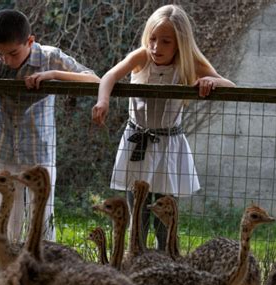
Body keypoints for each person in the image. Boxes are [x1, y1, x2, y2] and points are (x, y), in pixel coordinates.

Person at [0, 9, 99, 242]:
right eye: (0, 53)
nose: (6, 60)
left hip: (40, 153)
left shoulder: (50, 57)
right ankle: (3, 269)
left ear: (30, 41)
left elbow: (95, 79)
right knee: (3, 221)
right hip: (4, 151)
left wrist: (53, 74)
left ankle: (40, 269)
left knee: (42, 219)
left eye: (13, 53)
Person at [91, 4, 235, 250]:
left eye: (166, 41)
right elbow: (110, 76)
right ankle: (135, 262)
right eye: (153, 39)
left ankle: (167, 263)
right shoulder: (142, 56)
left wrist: (212, 79)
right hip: (137, 142)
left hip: (169, 145)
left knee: (165, 218)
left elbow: (230, 86)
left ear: (180, 42)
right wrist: (103, 100)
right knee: (137, 214)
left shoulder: (188, 63)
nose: (157, 47)